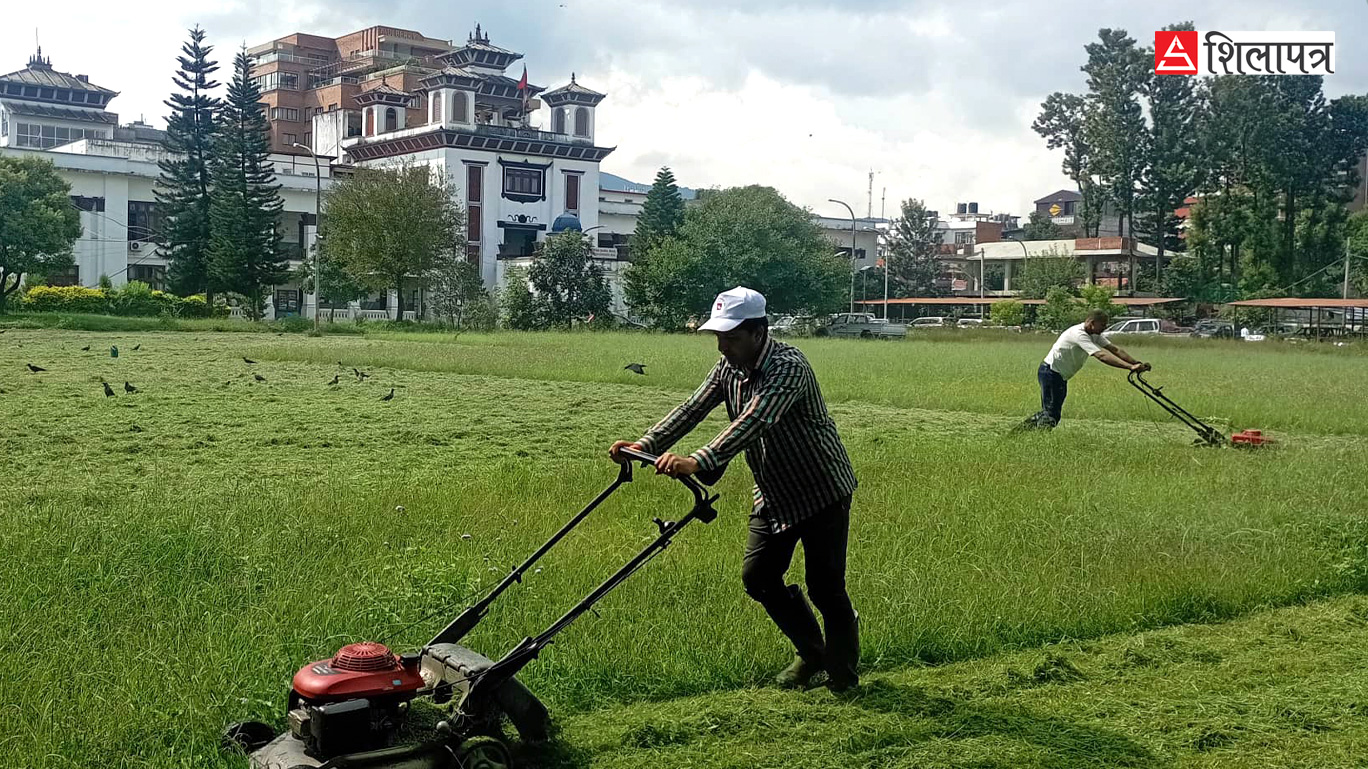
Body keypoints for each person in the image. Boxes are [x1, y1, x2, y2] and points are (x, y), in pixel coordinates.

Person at [610, 286, 861, 692]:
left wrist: (697, 461)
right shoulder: (728, 368)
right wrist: (645, 445)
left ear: (759, 332)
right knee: (758, 577)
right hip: (774, 491)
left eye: (731, 338)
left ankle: (844, 676)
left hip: (822, 490)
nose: (723, 347)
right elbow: (692, 408)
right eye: (719, 338)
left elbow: (755, 420)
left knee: (825, 587)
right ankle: (813, 652)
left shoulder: (788, 366)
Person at [1022, 309, 1150, 429]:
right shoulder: (1079, 334)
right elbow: (1101, 355)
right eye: (1103, 325)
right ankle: (1033, 436)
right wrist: (1129, 367)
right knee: (1051, 415)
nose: (1104, 328)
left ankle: (1022, 432)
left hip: (1060, 375)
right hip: (1051, 372)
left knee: (1052, 412)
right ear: (1092, 323)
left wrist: (1137, 363)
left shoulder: (1094, 334)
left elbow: (1115, 350)